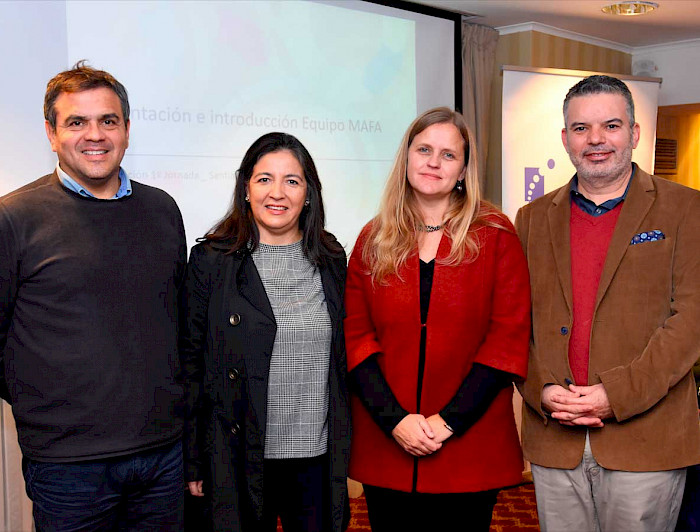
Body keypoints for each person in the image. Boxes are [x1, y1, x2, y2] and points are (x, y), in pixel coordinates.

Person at [0, 62, 186, 530]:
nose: (95, 135)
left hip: (162, 457)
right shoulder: (13, 217)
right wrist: (48, 405)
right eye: (76, 122)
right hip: (67, 469)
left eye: (108, 120)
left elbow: (178, 322)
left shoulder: (162, 209)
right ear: (51, 132)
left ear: (126, 128)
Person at [515, 75, 700, 532]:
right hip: (553, 435)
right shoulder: (532, 218)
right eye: (581, 128)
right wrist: (539, 390)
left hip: (646, 441)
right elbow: (515, 322)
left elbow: (691, 320)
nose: (595, 140)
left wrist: (613, 396)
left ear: (634, 133)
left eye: (611, 125)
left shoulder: (686, 210)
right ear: (565, 139)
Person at [344, 107, 531, 531]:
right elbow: (356, 336)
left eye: (448, 155)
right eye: (424, 149)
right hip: (388, 442)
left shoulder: (496, 234)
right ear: (406, 158)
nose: (433, 161)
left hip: (469, 444)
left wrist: (446, 423)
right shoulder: (373, 238)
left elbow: (508, 338)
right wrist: (396, 421)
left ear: (464, 168)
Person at [180, 132, 350, 531]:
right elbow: (189, 366)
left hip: (315, 457)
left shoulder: (331, 259)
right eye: (264, 179)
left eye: (292, 180)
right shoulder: (211, 261)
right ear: (246, 188)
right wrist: (193, 459)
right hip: (236, 456)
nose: (278, 193)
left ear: (309, 193)